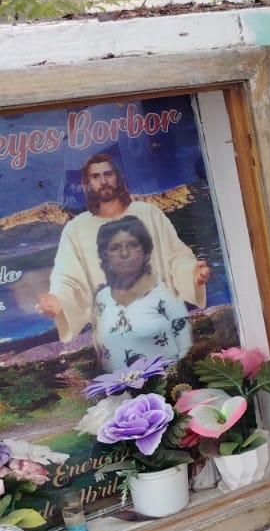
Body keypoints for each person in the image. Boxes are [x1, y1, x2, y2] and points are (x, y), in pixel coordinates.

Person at [38, 152, 210, 341]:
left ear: (118, 177)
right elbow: (66, 279)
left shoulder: (148, 213)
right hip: (115, 336)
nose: (103, 181)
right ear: (86, 184)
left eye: (108, 174)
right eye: (95, 176)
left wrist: (192, 272)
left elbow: (175, 256)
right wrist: (59, 301)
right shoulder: (75, 230)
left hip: (162, 323)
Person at [91, 215, 193, 369]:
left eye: (132, 245)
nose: (124, 254)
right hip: (119, 384)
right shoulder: (102, 298)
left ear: (145, 251)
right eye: (115, 248)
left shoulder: (166, 293)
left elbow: (187, 349)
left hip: (169, 381)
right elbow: (104, 354)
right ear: (105, 255)